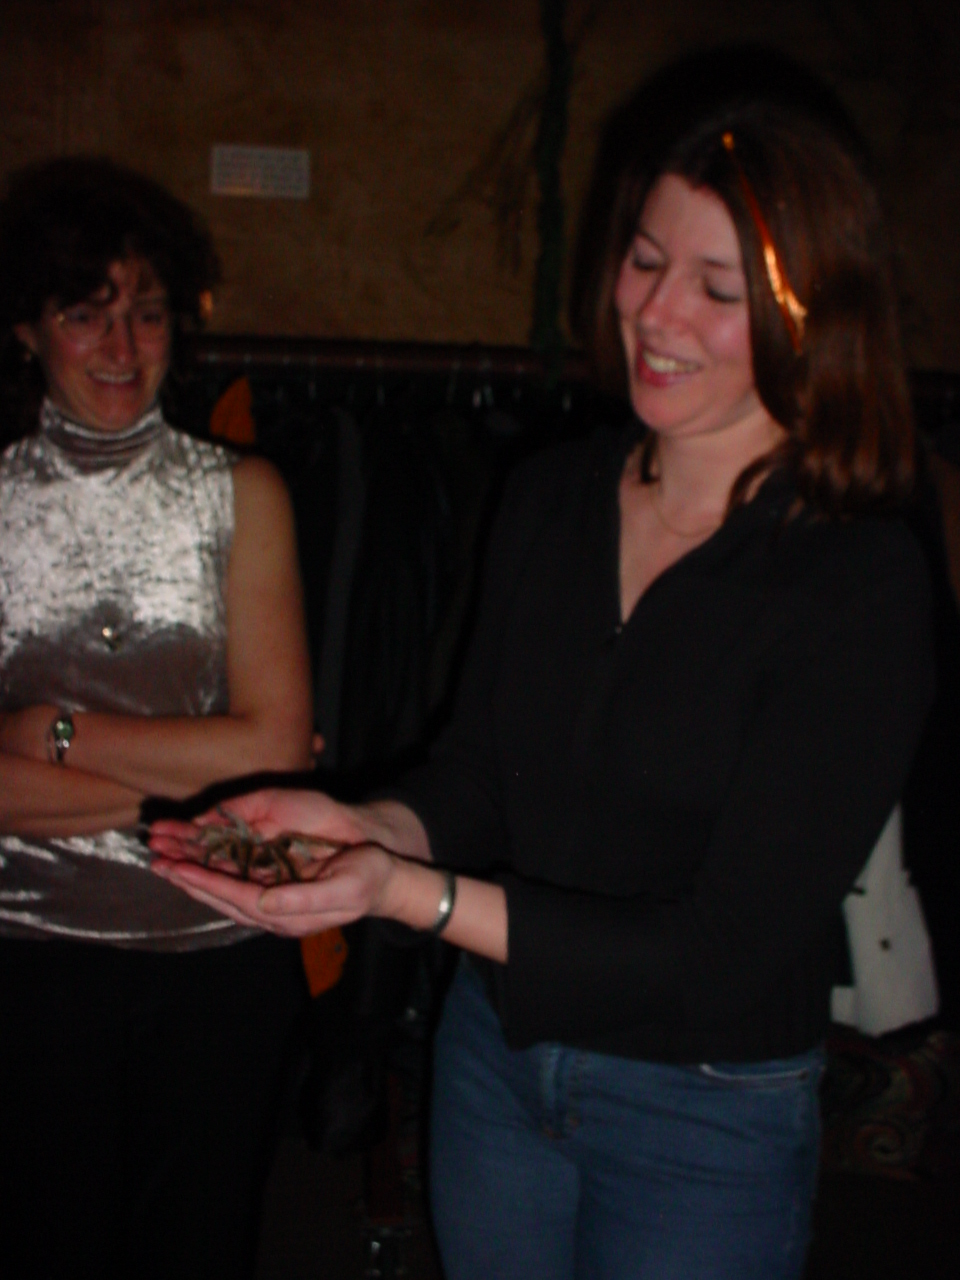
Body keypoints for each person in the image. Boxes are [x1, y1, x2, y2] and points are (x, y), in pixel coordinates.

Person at [151, 75, 935, 1279]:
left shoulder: (856, 579)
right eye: (644, 260)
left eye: (718, 289)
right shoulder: (555, 495)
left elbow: (727, 947)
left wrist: (406, 893)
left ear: (814, 315)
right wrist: (365, 826)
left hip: (703, 1106)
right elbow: (480, 773)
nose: (656, 312)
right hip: (496, 1061)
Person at [0, 158, 313, 1279]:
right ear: (28, 330)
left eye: (146, 312)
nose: (122, 346)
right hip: (26, 957)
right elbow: (247, 764)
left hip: (216, 955)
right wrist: (186, 789)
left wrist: (49, 733)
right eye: (85, 314)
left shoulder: (242, 494)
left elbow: (275, 747)